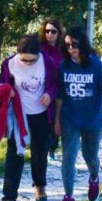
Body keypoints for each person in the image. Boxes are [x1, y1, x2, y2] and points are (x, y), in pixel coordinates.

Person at [0, 35, 58, 201]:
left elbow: (56, 84)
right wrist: (9, 91)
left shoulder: (48, 62)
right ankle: (9, 198)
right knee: (14, 153)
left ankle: (39, 185)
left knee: (40, 151)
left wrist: (49, 94)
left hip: (41, 114)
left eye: (32, 61)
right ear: (18, 54)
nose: (28, 64)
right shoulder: (10, 63)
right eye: (24, 60)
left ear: (38, 54)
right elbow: (2, 84)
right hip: (19, 114)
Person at [54, 25, 102, 201]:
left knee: (90, 157)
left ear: (83, 44)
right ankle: (68, 196)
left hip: (92, 119)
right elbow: (59, 95)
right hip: (69, 118)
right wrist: (57, 119)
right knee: (68, 156)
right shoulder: (64, 66)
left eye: (74, 44)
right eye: (67, 45)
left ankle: (94, 177)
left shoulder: (96, 65)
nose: (71, 48)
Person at [39, 19, 66, 159]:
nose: (50, 34)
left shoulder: (63, 50)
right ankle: (41, 147)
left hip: (58, 89)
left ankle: (52, 148)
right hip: (41, 88)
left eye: (53, 31)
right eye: (47, 31)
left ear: (58, 33)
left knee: (56, 118)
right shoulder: (39, 48)